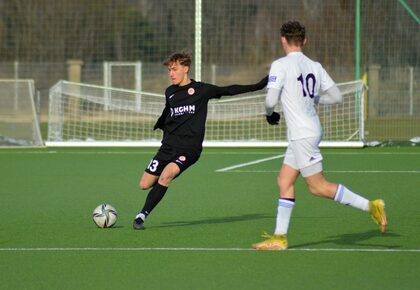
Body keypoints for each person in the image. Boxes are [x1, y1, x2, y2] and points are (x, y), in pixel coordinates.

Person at [252, 21, 387, 250]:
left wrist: (269, 114)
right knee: (284, 180)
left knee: (318, 187)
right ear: (304, 41)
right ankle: (279, 237)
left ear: (282, 40)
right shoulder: (315, 65)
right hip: (308, 130)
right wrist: (315, 99)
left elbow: (270, 100)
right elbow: (336, 97)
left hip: (302, 135)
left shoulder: (280, 65)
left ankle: (371, 206)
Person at [133, 51, 268, 230]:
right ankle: (157, 192)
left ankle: (141, 216)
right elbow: (168, 111)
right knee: (144, 184)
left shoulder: (201, 90)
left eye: (174, 69)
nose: (171, 73)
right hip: (168, 147)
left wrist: (258, 86)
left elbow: (228, 90)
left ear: (186, 69)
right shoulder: (170, 92)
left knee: (166, 175)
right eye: (169, 70)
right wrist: (160, 123)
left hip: (189, 149)